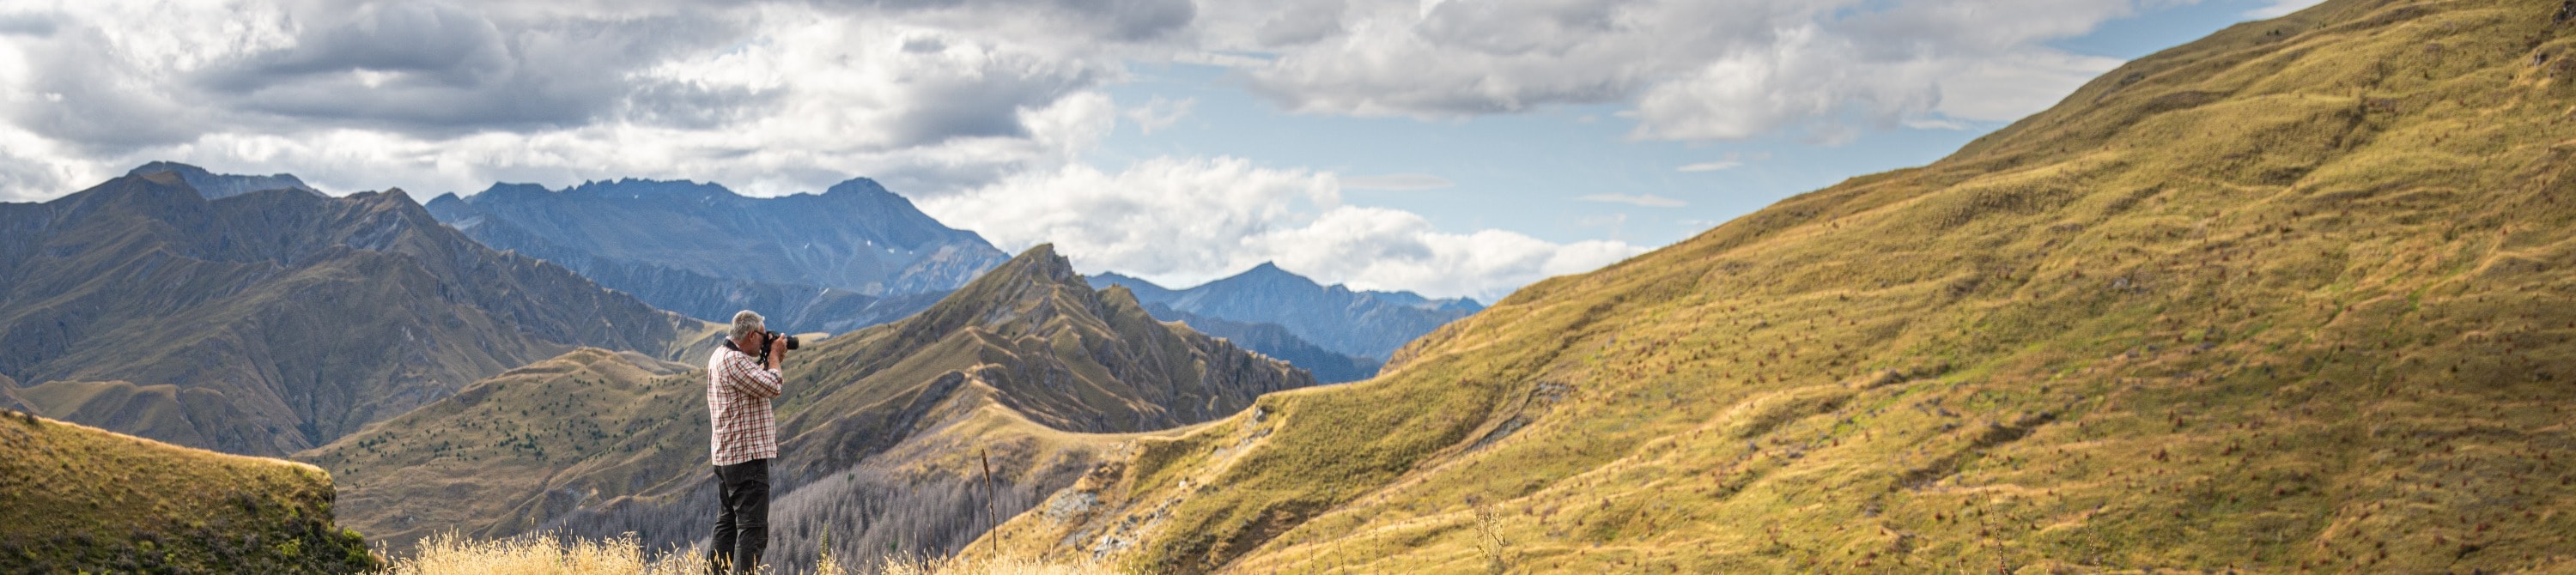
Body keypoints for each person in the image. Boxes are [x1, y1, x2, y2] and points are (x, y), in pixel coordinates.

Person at [708, 310, 787, 574]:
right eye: (763, 336)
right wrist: (775, 357)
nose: (765, 340)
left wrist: (768, 360)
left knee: (727, 526)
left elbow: (756, 383)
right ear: (752, 335)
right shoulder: (735, 361)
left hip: (727, 459)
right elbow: (773, 386)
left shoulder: (720, 356)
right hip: (746, 460)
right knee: (752, 531)